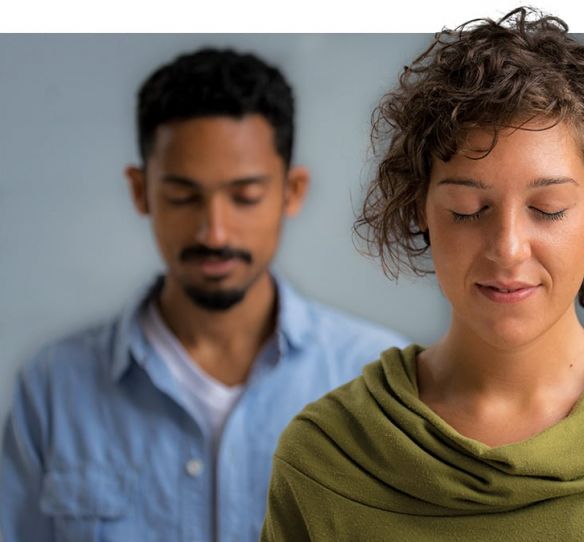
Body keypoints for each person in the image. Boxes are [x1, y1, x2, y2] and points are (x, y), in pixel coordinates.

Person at [260, 9, 584, 541]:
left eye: (547, 208)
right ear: (420, 206)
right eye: (466, 208)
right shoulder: (323, 458)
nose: (507, 249)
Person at [0, 47, 408, 542]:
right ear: (140, 191)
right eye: (183, 196)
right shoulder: (52, 388)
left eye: (245, 196)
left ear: (291, 191)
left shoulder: (376, 381)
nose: (214, 232)